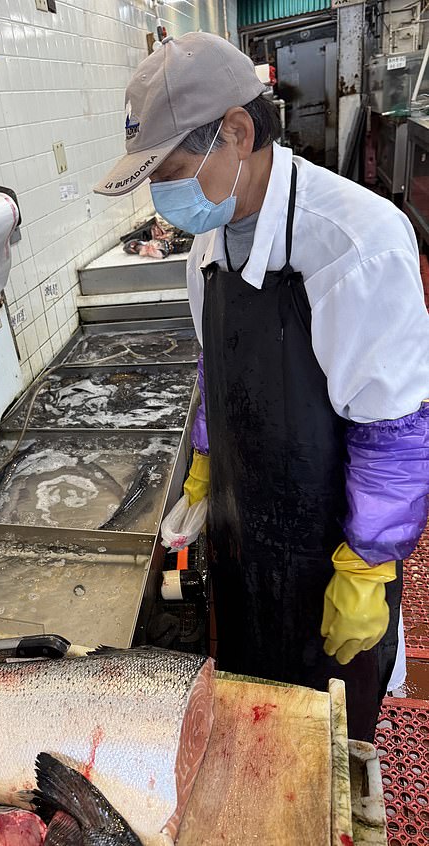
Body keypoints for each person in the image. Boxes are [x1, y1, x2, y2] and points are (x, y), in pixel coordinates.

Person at [94, 32, 429, 741]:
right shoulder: (206, 248)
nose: (163, 196)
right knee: (257, 715)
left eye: (173, 170)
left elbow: (395, 429)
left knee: (331, 738)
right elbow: (216, 371)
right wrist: (205, 467)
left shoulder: (355, 242)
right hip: (248, 535)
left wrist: (368, 567)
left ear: (237, 133)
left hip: (331, 550)